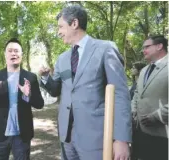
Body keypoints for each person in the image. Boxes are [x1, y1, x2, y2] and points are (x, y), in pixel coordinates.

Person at [39, 5, 131, 160]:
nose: (58, 32)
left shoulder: (105, 48)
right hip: (66, 138)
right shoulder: (62, 59)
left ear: (74, 23)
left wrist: (122, 139)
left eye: (60, 27)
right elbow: (56, 90)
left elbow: (120, 95)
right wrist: (46, 78)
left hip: (97, 139)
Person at [0, 38, 44, 160]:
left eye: (16, 51)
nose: (13, 53)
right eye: (10, 51)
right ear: (5, 54)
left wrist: (27, 95)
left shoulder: (30, 77)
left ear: (21, 55)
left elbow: (40, 104)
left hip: (22, 135)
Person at [131, 35, 168, 160]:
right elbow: (137, 94)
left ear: (159, 46)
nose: (143, 50)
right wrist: (134, 111)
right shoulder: (144, 70)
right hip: (140, 133)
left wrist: (157, 116)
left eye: (147, 47)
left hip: (163, 135)